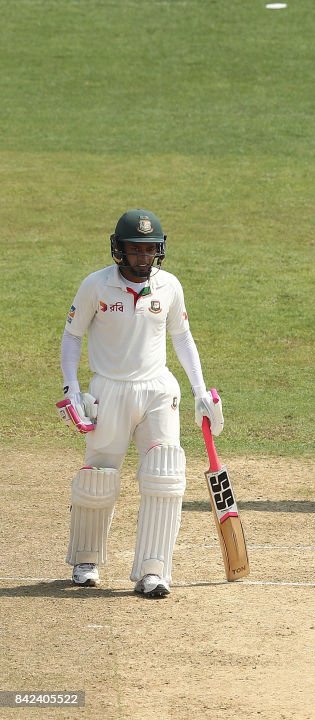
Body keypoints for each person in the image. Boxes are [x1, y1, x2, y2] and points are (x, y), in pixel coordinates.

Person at [59, 209, 224, 599]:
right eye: (136, 250)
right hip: (108, 390)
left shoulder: (168, 286)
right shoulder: (95, 286)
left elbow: (183, 338)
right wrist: (71, 387)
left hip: (157, 390)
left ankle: (154, 570)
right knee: (98, 476)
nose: (143, 258)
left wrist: (200, 390)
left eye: (151, 250)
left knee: (165, 475)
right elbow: (71, 336)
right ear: (119, 250)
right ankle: (86, 560)